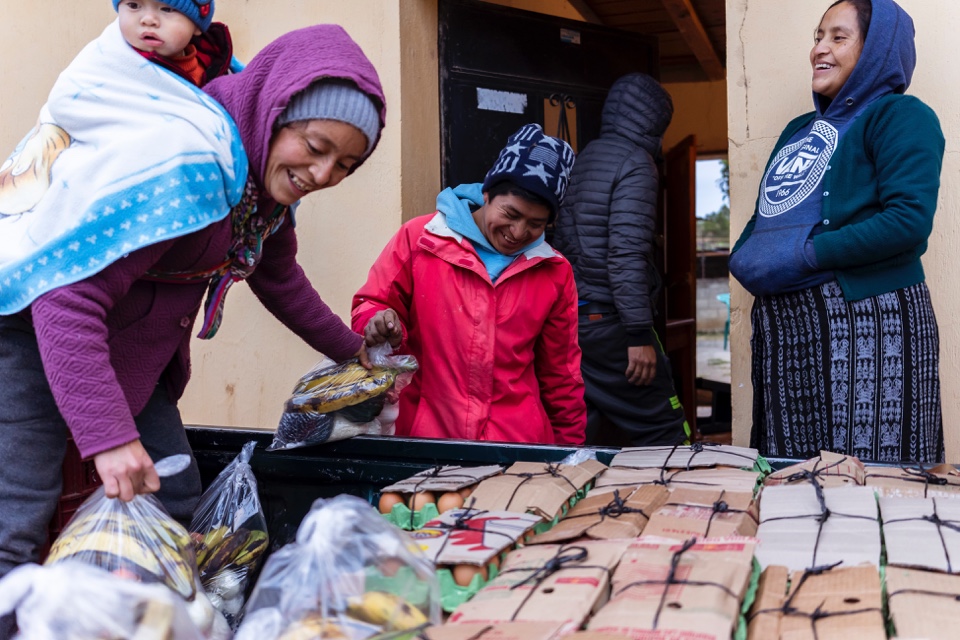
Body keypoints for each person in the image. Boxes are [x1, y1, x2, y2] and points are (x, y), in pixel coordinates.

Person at [0, 23, 386, 621]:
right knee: (14, 524)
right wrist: (108, 438)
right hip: (31, 332)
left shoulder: (259, 188)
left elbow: (277, 276)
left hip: (129, 353)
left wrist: (353, 352)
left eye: (346, 164)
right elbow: (65, 299)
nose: (323, 173)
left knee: (175, 495)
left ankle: (141, 627)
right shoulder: (190, 164)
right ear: (276, 110)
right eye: (314, 146)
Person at [728, 0, 944, 463]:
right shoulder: (799, 130)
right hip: (789, 331)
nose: (819, 49)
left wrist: (806, 255)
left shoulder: (900, 116)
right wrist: (745, 257)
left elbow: (908, 220)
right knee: (795, 481)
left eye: (838, 37)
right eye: (817, 36)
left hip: (868, 329)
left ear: (876, 50)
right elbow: (767, 212)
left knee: (869, 483)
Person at [353, 124, 586, 445]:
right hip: (426, 441)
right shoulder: (420, 238)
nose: (518, 232)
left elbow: (561, 376)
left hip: (518, 447)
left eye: (536, 224)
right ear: (487, 193)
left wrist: (569, 453)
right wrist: (378, 323)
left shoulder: (554, 271)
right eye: (511, 213)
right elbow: (372, 304)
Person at [552, 73, 689, 448]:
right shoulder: (636, 163)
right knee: (667, 429)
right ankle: (685, 504)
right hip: (612, 324)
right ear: (654, 121)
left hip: (577, 323)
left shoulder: (584, 157)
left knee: (589, 431)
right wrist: (639, 334)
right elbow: (625, 253)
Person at [113, 0, 233, 87]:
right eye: (133, 5)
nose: (148, 20)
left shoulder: (216, 63)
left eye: (167, 9)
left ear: (196, 25)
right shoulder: (110, 71)